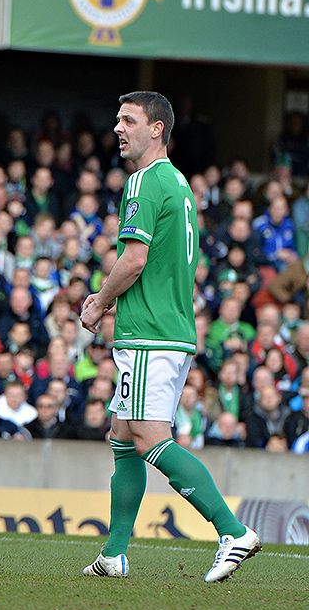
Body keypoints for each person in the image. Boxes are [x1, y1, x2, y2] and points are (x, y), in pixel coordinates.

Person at [78, 91, 257, 583]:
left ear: (156, 128)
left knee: (150, 436)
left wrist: (99, 301)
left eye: (128, 119)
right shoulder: (178, 182)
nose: (117, 127)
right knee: (123, 435)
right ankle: (114, 554)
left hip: (148, 331)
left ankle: (232, 530)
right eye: (117, 118)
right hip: (170, 328)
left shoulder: (143, 181)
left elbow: (134, 259)